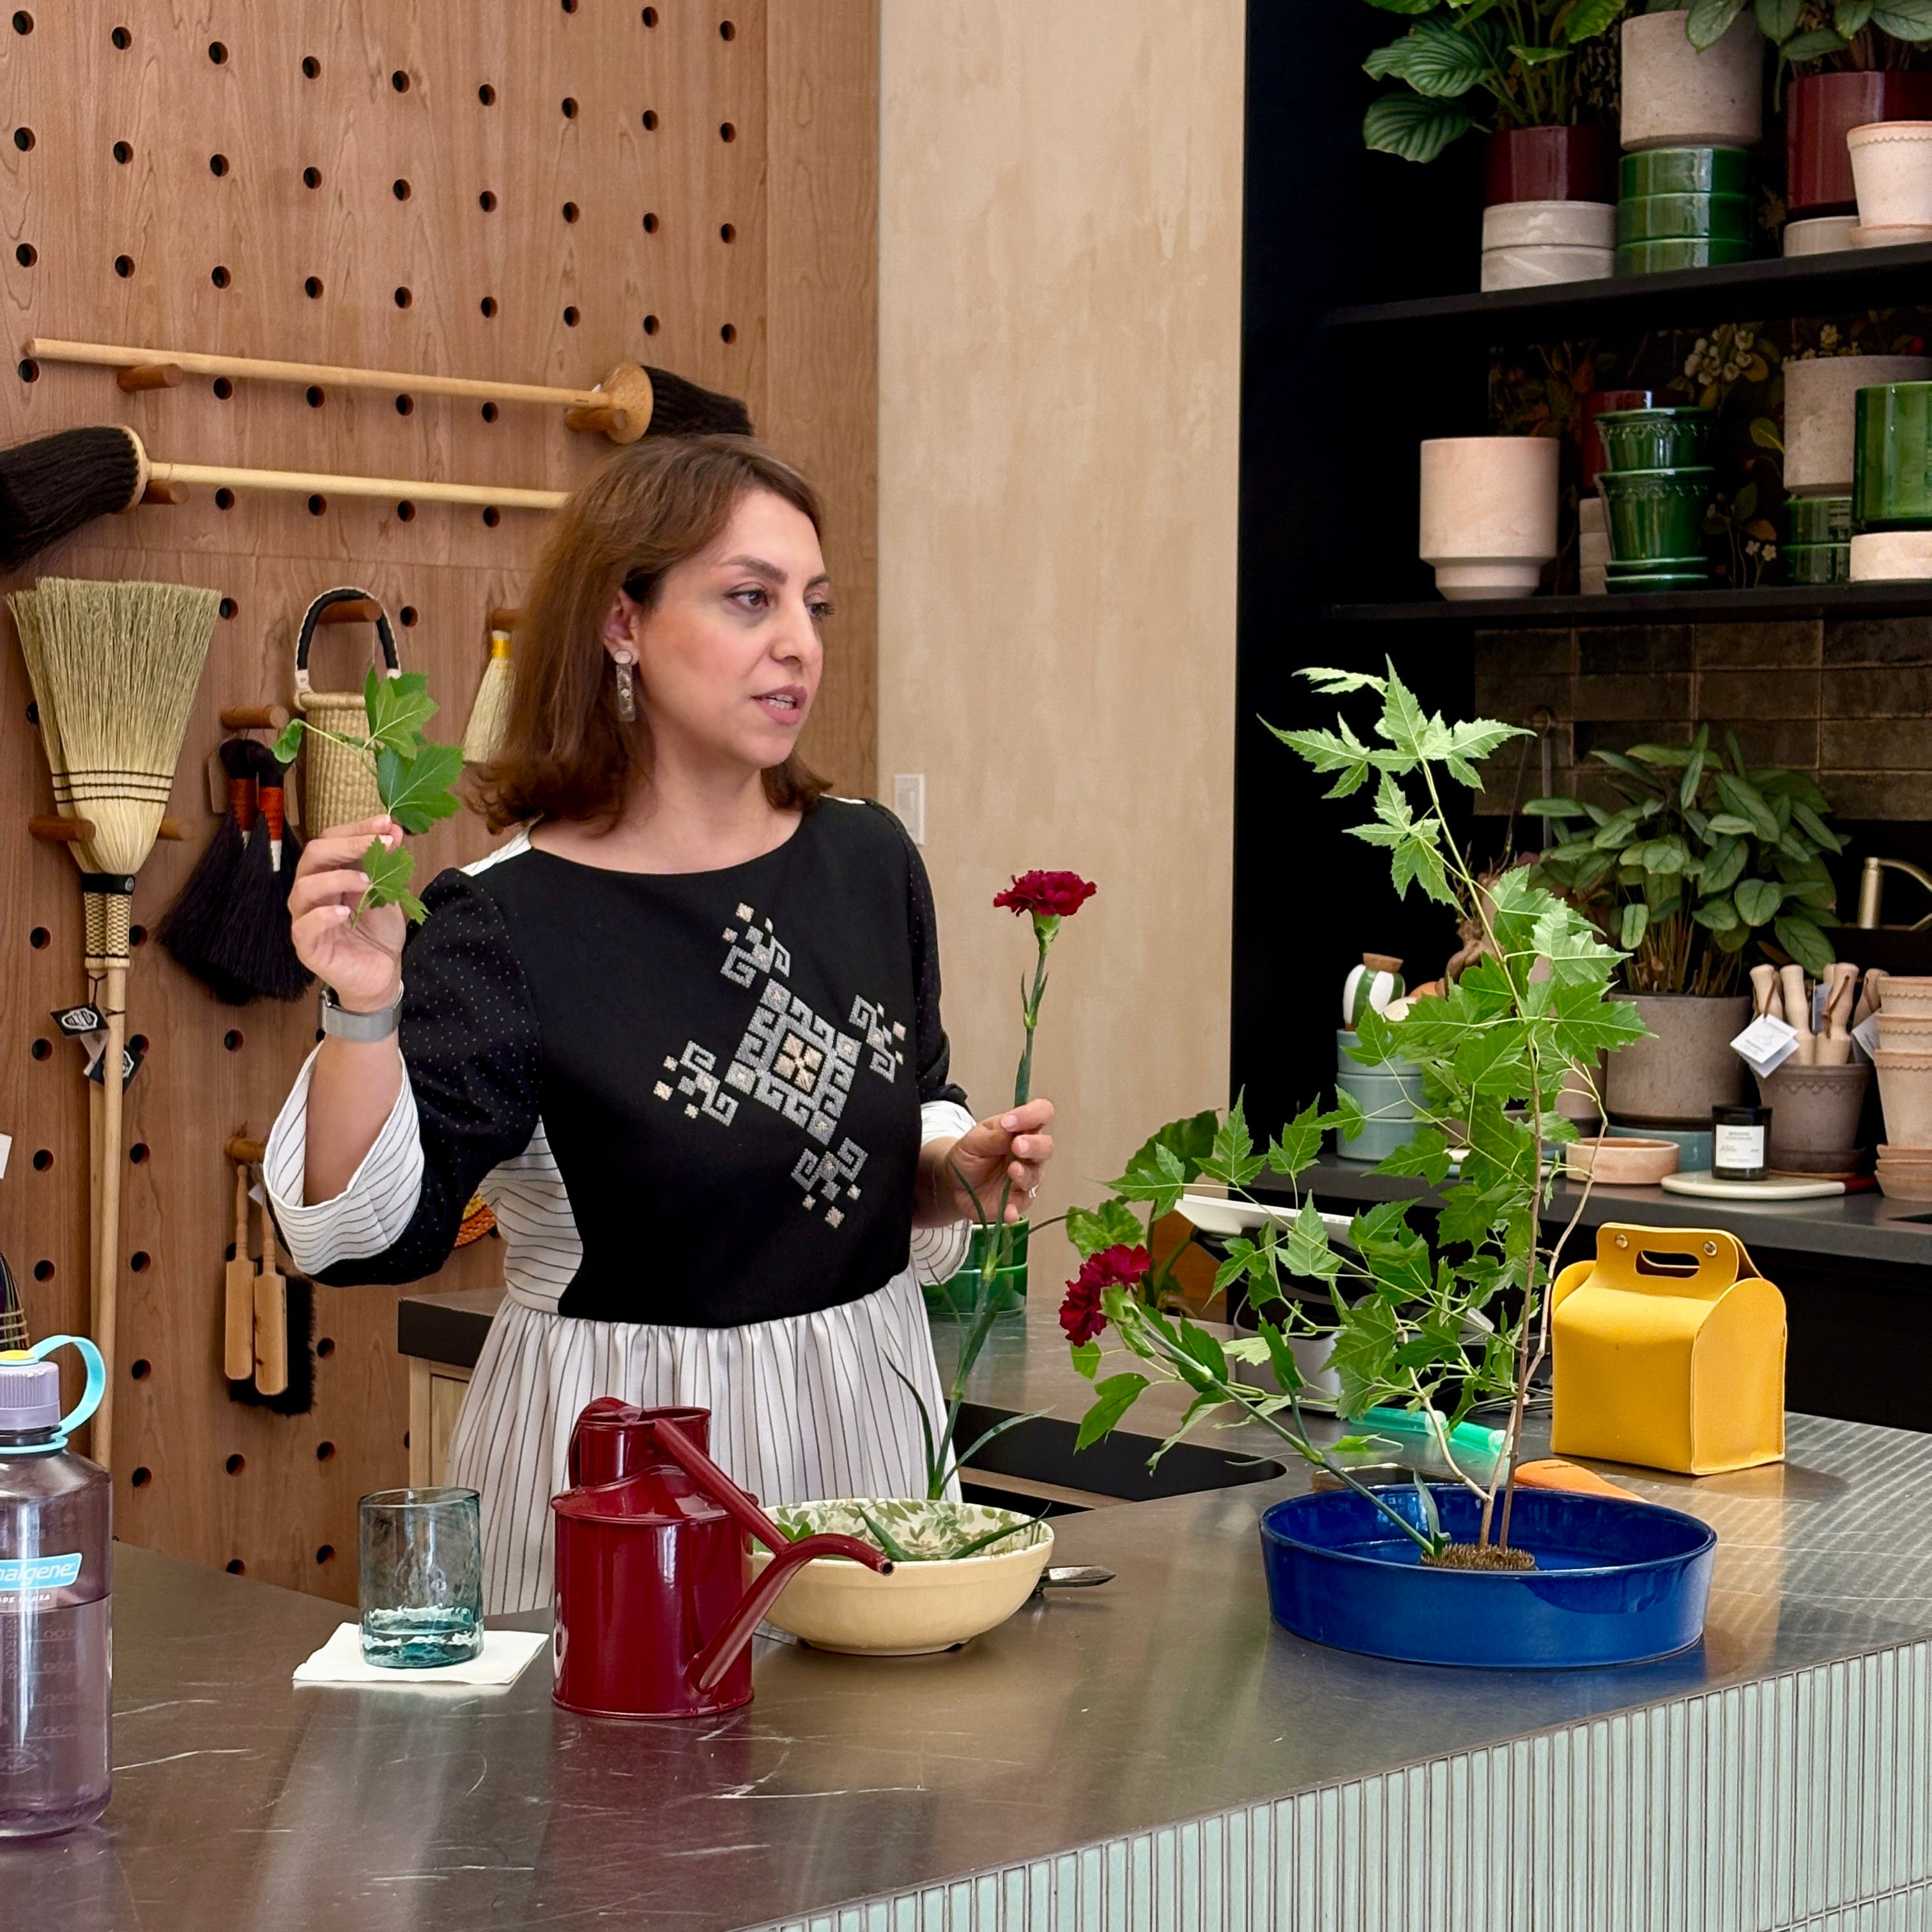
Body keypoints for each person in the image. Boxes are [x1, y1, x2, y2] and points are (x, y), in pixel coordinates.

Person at [263, 436, 1055, 1613]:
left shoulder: (870, 859)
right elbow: (360, 1240)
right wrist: (364, 1010)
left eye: (814, 604)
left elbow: (909, 1101)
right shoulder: (507, 920)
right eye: (749, 598)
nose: (799, 643)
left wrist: (949, 1170)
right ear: (622, 623)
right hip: (633, 1474)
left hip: (869, 1444)